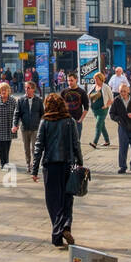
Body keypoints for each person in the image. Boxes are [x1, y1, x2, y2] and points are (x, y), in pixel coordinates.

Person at [31, 93, 83, 248]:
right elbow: (76, 144)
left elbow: (38, 146)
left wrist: (34, 169)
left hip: (51, 165)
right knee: (67, 198)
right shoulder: (70, 121)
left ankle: (57, 234)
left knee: (53, 201)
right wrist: (80, 163)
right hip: (68, 164)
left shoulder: (45, 122)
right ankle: (66, 225)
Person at [109, 82, 131, 174]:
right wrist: (118, 119)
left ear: (128, 91)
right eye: (120, 91)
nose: (122, 93)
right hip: (123, 126)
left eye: (124, 91)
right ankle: (123, 166)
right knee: (123, 147)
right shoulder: (116, 100)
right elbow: (111, 114)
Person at [14, 80, 45, 172]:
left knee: (34, 148)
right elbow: (17, 114)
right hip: (24, 128)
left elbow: (42, 114)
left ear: (33, 89)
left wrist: (43, 126)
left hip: (35, 128)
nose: (26, 90)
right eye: (25, 88)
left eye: (28, 88)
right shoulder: (21, 100)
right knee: (26, 148)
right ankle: (28, 164)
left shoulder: (38, 100)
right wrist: (15, 125)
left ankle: (34, 165)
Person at [86, 72, 113, 150]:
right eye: (94, 79)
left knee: (98, 125)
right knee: (102, 126)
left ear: (101, 79)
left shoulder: (106, 87)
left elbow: (111, 99)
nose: (95, 81)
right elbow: (88, 95)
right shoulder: (93, 86)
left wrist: (106, 106)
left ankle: (95, 142)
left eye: (97, 79)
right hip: (95, 110)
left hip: (102, 110)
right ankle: (107, 141)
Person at [59, 72, 88, 138]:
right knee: (66, 141)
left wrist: (81, 119)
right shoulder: (64, 92)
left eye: (71, 80)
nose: (70, 82)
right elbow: (60, 106)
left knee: (76, 142)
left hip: (77, 120)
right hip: (65, 120)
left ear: (76, 80)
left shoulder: (82, 92)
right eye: (68, 80)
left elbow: (86, 107)